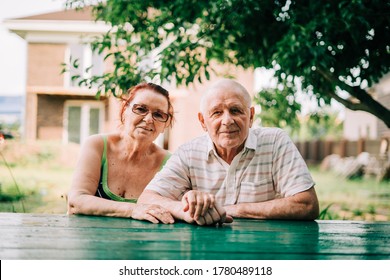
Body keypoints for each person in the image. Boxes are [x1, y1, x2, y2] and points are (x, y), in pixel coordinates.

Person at [138, 79, 319, 225]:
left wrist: (230, 209)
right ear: (203, 121)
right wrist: (185, 209)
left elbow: (307, 204)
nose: (227, 120)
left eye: (235, 110)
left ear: (250, 116)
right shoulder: (188, 152)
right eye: (216, 113)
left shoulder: (275, 142)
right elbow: (146, 199)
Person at [67, 82, 175, 224]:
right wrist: (133, 210)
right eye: (141, 109)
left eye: (158, 114)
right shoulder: (97, 145)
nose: (148, 119)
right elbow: (77, 200)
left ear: (165, 125)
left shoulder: (170, 162)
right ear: (125, 111)